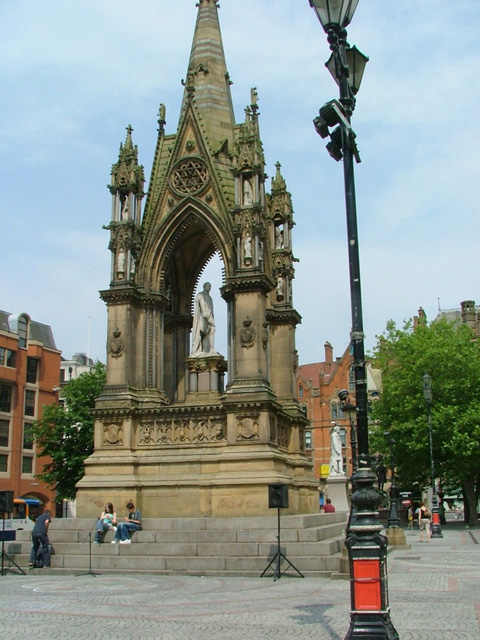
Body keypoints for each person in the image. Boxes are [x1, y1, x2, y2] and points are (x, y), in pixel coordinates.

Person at [191, 282, 216, 356]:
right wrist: (206, 316)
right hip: (203, 318)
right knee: (203, 332)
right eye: (208, 286)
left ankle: (209, 349)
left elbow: (211, 309)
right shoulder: (201, 295)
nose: (210, 288)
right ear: (204, 286)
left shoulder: (209, 297)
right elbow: (202, 304)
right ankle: (199, 350)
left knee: (210, 331)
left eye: (210, 286)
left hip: (209, 317)